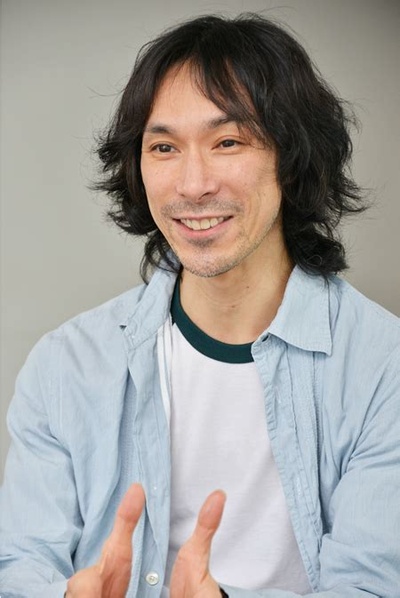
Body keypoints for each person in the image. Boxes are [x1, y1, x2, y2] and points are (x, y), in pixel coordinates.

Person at [0, 12, 399, 598]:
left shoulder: (384, 367)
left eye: (227, 142)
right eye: (164, 147)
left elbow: (371, 586)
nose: (192, 185)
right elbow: (18, 566)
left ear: (293, 158)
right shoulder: (65, 367)